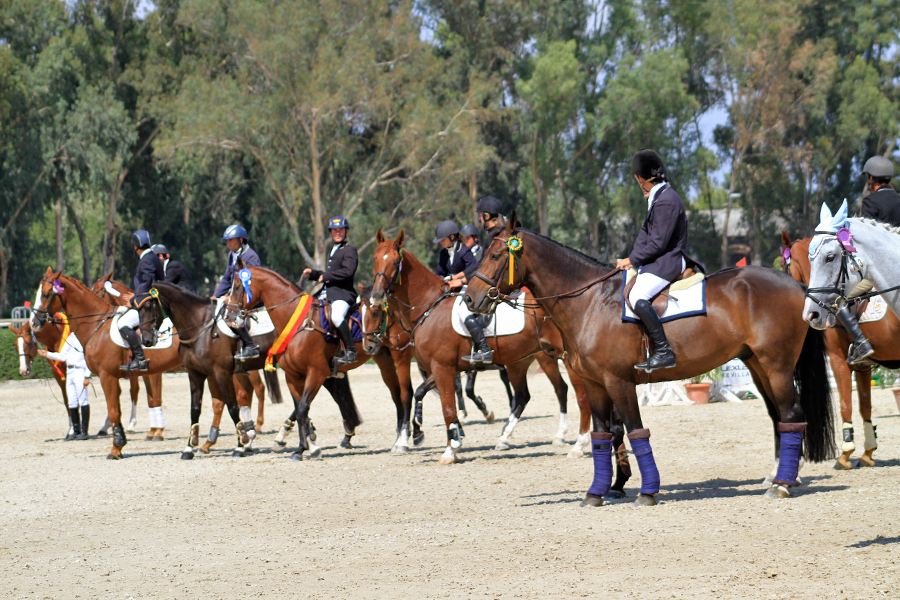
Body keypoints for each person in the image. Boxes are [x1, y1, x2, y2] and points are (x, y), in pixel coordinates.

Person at [615, 149, 693, 372]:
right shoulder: (658, 196)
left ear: (640, 179)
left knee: (638, 295)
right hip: (660, 258)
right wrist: (630, 258)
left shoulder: (666, 200)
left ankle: (664, 351)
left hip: (670, 259)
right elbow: (645, 234)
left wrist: (632, 259)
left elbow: (658, 243)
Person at [830, 157, 897, 365]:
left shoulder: (870, 202)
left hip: (880, 270)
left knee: (838, 299)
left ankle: (860, 342)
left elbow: (866, 237)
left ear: (871, 179)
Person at [434, 220, 493, 363]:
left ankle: (484, 349)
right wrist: (444, 279)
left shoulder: (464, 251)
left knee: (462, 311)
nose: (441, 242)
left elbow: (474, 271)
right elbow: (440, 272)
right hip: (450, 290)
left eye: (443, 240)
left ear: (452, 237)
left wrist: (458, 280)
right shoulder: (443, 253)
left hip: (468, 288)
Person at [303, 216, 359, 365]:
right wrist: (314, 274)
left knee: (336, 316)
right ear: (330, 233)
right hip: (329, 293)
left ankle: (351, 351)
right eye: (334, 230)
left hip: (343, 295)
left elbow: (347, 272)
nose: (337, 233)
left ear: (346, 231)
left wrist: (326, 276)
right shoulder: (333, 250)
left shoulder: (350, 250)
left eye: (340, 230)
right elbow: (332, 274)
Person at [117, 230, 165, 372]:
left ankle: (140, 359)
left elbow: (147, 283)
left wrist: (133, 301)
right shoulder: (154, 257)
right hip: (151, 301)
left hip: (148, 305)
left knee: (122, 323)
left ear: (136, 246)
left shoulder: (146, 260)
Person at [212, 224, 261, 360]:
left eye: (231, 240)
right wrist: (215, 296)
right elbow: (227, 278)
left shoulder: (251, 256)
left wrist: (231, 298)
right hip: (237, 296)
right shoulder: (231, 255)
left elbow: (252, 284)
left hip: (249, 297)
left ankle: (250, 345)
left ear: (241, 240)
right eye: (227, 240)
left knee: (230, 310)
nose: (228, 243)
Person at [39, 329, 92, 440]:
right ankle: (76, 431)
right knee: (72, 401)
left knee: (83, 400)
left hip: (80, 370)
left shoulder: (84, 337)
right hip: (70, 371)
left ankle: (84, 431)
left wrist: (87, 375)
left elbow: (88, 357)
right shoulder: (70, 338)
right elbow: (63, 356)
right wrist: (47, 354)